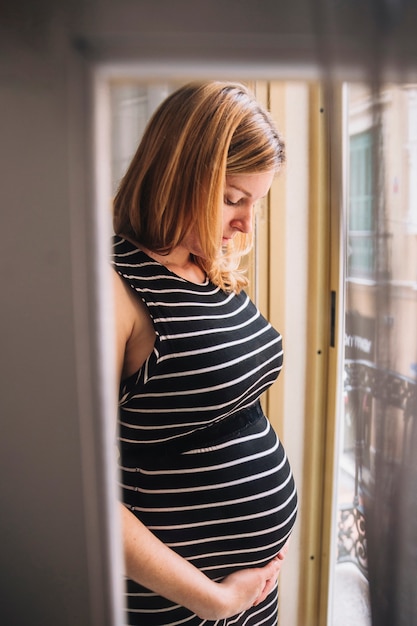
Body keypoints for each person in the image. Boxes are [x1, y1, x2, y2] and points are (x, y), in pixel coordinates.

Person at [111, 81, 298, 626]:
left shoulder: (206, 268)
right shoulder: (114, 286)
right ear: (177, 175)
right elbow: (82, 493)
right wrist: (211, 600)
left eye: (255, 203)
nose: (245, 224)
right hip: (181, 602)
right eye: (233, 199)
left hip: (246, 591)